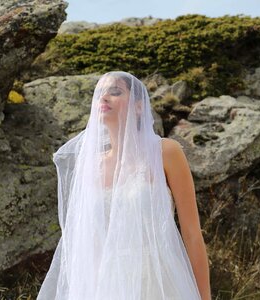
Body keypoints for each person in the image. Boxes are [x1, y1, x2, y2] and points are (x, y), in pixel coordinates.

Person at [37, 71, 211, 299]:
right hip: (109, 286)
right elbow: (88, 245)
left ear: (139, 106)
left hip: (161, 282)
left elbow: (191, 233)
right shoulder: (91, 167)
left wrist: (204, 296)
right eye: (99, 93)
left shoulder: (165, 152)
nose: (104, 98)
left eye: (115, 92)